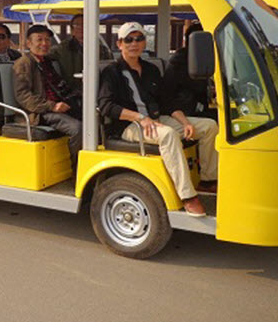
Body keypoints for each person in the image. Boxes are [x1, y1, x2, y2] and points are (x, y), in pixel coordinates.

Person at [98, 22, 218, 217]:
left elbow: (167, 101)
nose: (134, 43)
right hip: (129, 125)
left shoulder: (151, 69)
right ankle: (187, 195)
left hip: (155, 119)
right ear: (119, 44)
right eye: (128, 39)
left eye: (138, 39)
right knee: (168, 135)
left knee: (209, 126)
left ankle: (207, 180)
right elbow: (106, 106)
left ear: (144, 42)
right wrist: (140, 118)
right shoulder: (112, 72)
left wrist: (185, 122)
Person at [13, 25, 82, 165]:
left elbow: (60, 85)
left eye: (47, 40)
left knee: (94, 118)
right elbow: (23, 96)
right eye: (39, 40)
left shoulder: (47, 62)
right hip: (39, 113)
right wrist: (52, 106)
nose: (44, 44)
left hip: (57, 107)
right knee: (78, 129)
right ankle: (77, 171)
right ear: (28, 43)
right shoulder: (23, 63)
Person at [161, 22, 217, 121]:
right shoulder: (180, 61)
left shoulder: (198, 58)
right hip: (184, 110)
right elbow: (197, 87)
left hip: (194, 106)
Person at [50, 14, 113, 93]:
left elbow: (110, 73)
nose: (82, 28)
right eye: (77, 25)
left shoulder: (103, 50)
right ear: (72, 30)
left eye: (85, 24)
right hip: (69, 94)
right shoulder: (60, 49)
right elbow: (42, 58)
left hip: (96, 93)